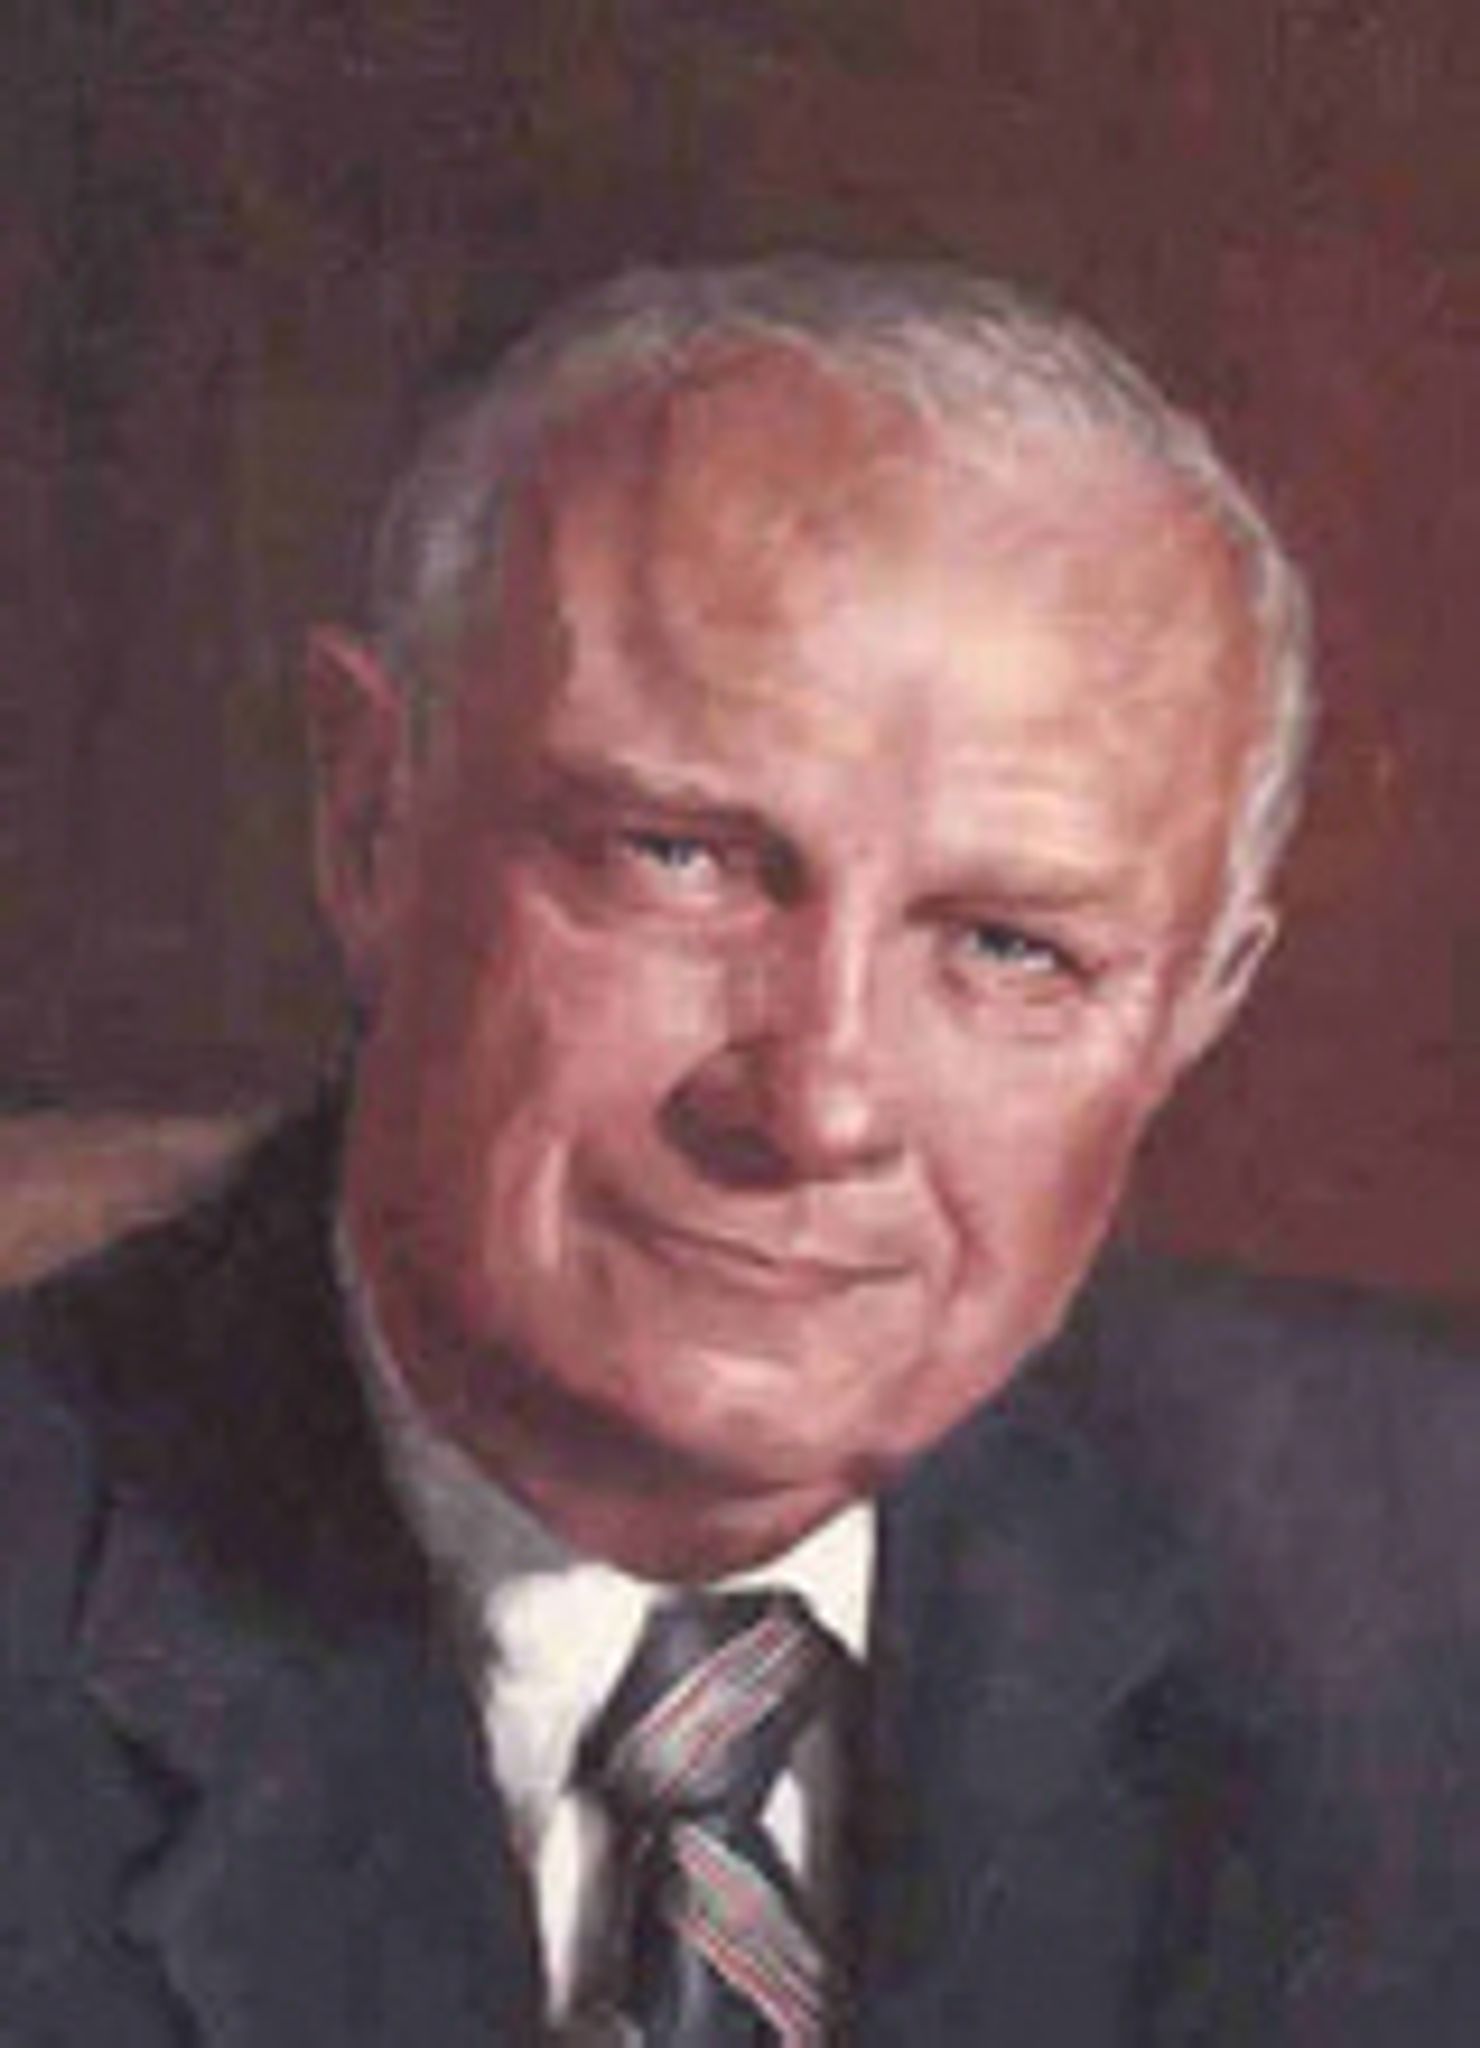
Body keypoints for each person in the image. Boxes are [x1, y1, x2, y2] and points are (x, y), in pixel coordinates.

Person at [3, 260, 1478, 2047]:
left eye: (1011, 947)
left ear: (1197, 1004)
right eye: (680, 858)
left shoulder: (1426, 1593)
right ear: (372, 817)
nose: (817, 1104)